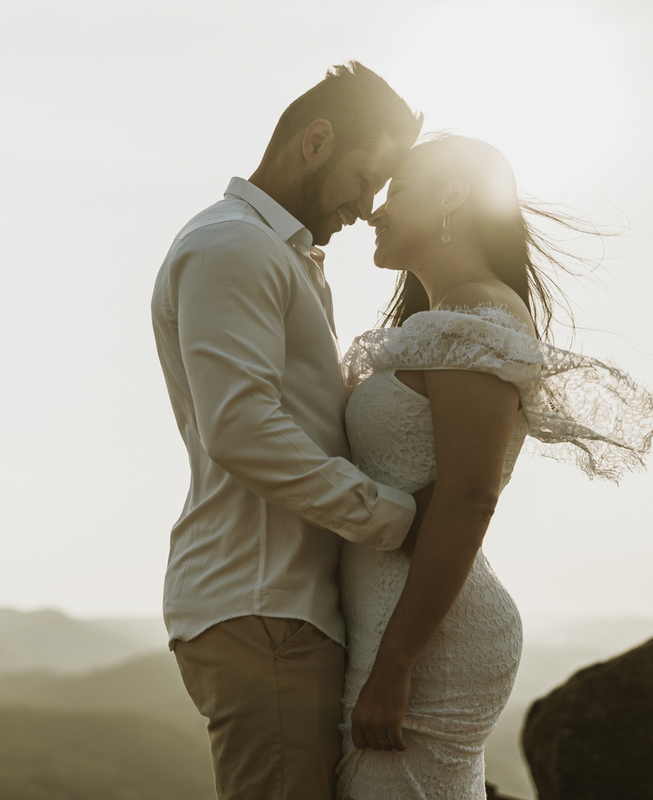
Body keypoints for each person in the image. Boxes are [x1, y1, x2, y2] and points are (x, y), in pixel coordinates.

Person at [334, 134, 653, 799]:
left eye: (397, 192)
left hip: (428, 645)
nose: (375, 210)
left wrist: (395, 666)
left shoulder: (480, 314)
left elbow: (470, 495)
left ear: (453, 194)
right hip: (394, 624)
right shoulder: (444, 319)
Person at [150, 63, 425, 800]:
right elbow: (239, 429)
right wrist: (393, 518)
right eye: (364, 179)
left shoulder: (280, 255)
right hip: (262, 607)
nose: (367, 207)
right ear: (317, 141)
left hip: (280, 607)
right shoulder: (233, 246)